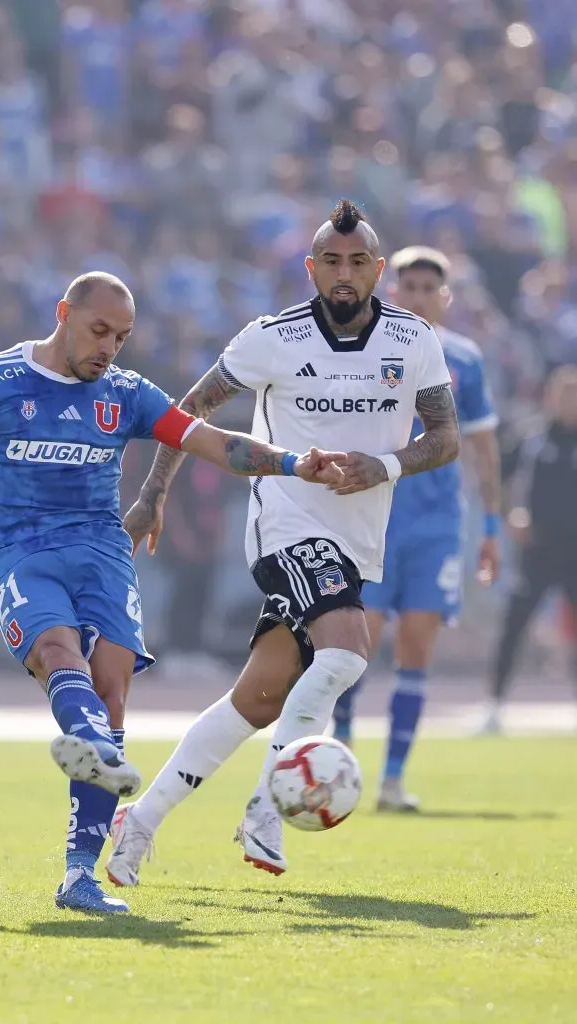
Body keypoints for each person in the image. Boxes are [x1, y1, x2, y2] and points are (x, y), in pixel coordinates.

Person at [0, 271, 343, 914]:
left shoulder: (127, 392)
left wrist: (291, 461)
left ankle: (78, 873)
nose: (109, 347)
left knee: (111, 693)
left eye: (121, 336)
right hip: (21, 555)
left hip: (104, 554)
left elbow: (215, 443)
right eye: (99, 331)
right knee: (59, 656)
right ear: (63, 313)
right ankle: (97, 754)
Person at [106, 200, 460, 887]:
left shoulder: (413, 340)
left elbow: (443, 437)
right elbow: (186, 414)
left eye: (357, 262)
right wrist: (153, 494)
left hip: (357, 540)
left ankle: (139, 822)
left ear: (377, 269)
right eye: (330, 261)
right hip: (287, 524)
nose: (344, 274)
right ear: (311, 267)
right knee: (347, 650)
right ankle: (269, 805)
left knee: (260, 699)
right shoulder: (274, 336)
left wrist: (382, 467)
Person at [331, 246, 501, 810]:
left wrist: (493, 526)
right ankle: (339, 763)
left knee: (416, 648)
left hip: (437, 524)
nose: (422, 297)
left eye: (433, 288)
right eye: (412, 287)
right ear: (393, 290)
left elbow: (482, 446)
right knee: (357, 645)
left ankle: (393, 780)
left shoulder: (465, 360)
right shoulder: (369, 348)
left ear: (445, 296)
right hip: (377, 517)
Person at [485, 365, 577, 733]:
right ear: (551, 398)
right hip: (537, 551)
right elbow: (498, 476)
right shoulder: (533, 439)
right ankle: (494, 706)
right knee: (514, 625)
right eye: (564, 394)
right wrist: (510, 515)